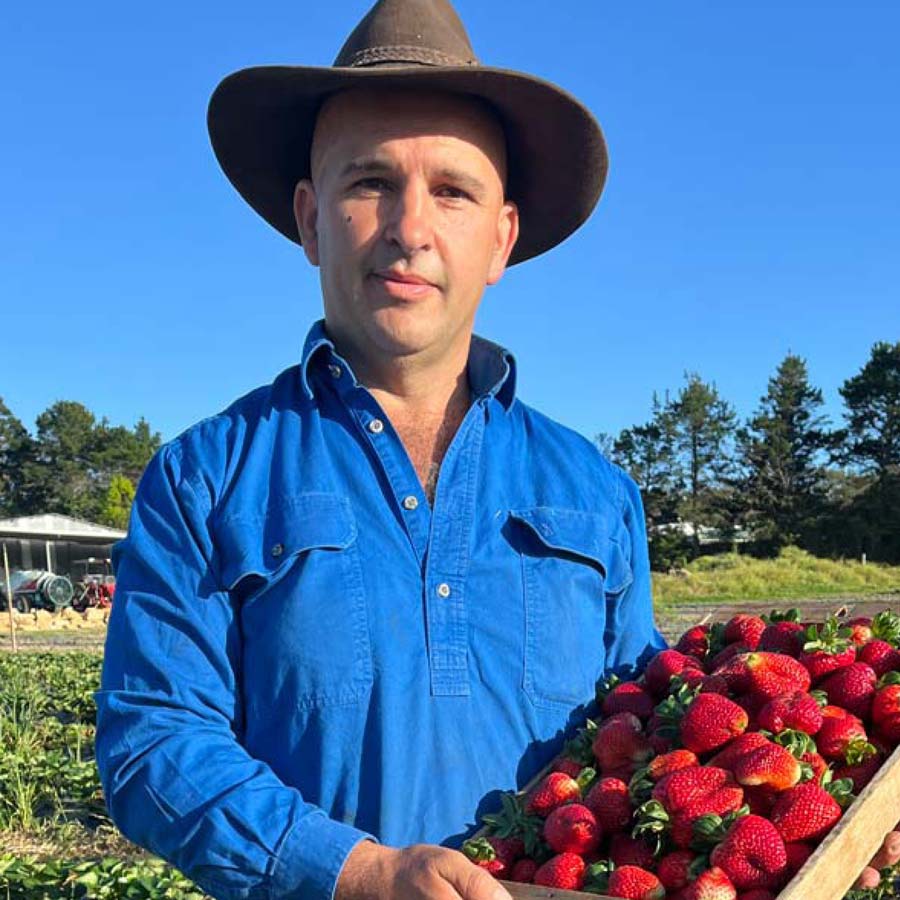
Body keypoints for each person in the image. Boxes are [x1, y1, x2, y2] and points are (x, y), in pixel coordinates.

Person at [95, 1, 900, 898]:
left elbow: (634, 741)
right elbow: (154, 741)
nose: (410, 227)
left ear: (500, 239)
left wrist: (833, 821)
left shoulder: (594, 491)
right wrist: (353, 871)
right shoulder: (207, 479)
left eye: (452, 190)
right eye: (368, 183)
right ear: (309, 218)